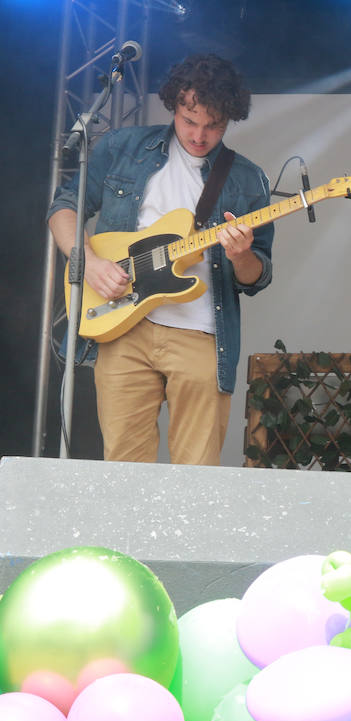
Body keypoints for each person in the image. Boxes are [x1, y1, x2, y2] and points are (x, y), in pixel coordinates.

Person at [48, 53, 274, 465]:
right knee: (124, 470)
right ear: (173, 105)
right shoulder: (122, 148)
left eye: (214, 125)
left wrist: (241, 256)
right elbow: (65, 207)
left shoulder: (247, 179)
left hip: (201, 337)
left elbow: (257, 275)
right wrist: (90, 264)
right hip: (123, 329)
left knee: (196, 473)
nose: (200, 135)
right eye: (190, 121)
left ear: (230, 119)